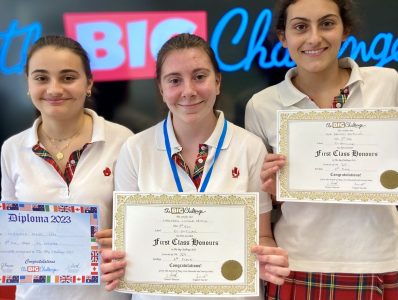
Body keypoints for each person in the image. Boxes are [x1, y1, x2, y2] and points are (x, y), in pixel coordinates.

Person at [100, 33, 290, 300]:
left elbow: (262, 237)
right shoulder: (135, 150)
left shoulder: (249, 147)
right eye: (175, 80)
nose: (188, 91)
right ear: (161, 88)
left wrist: (268, 258)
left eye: (199, 76)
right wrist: (116, 260)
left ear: (218, 81)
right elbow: (128, 244)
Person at [245, 0, 398, 299]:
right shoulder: (262, 106)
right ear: (283, 37)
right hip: (298, 260)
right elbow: (265, 204)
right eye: (300, 27)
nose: (314, 38)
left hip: (379, 255)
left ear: (345, 30)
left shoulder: (387, 84)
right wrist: (273, 190)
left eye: (327, 24)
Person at [0, 35, 133, 300]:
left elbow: (140, 227)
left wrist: (123, 237)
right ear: (28, 84)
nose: (54, 89)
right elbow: (10, 231)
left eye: (68, 77)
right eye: (41, 78)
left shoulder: (123, 141)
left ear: (89, 83)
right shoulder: (12, 149)